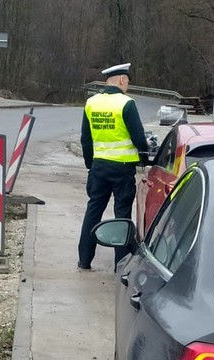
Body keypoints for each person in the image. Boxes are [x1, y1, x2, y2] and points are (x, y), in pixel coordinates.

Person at [77, 63, 149, 271]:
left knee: (93, 211)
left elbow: (85, 139)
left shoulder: (91, 103)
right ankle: (121, 264)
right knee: (122, 214)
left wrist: (91, 164)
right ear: (122, 80)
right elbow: (139, 138)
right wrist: (143, 154)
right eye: (127, 82)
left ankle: (84, 259)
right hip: (122, 168)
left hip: (99, 167)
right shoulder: (126, 103)